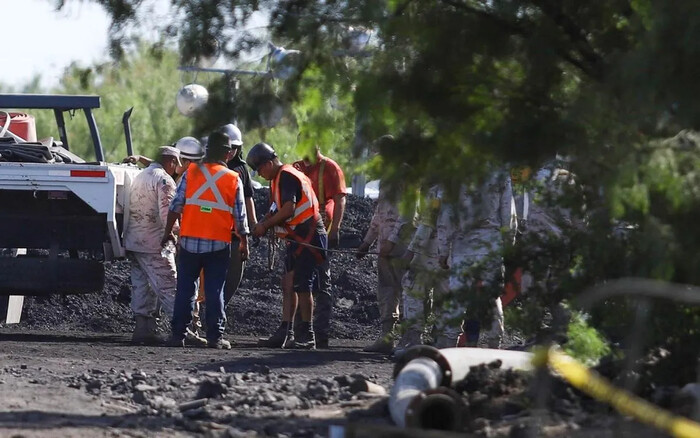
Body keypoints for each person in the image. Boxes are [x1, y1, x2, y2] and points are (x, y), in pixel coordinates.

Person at [161, 131, 250, 349]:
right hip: (218, 244)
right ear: (228, 154)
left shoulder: (192, 172)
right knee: (214, 290)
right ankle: (215, 338)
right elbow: (240, 216)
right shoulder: (232, 178)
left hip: (190, 242)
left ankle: (178, 335)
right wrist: (244, 242)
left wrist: (167, 233)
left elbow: (175, 205)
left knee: (185, 289)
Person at [247, 142, 328, 350]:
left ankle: (307, 335)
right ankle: (286, 331)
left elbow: (289, 209)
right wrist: (264, 221)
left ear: (269, 163)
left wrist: (264, 225)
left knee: (303, 285)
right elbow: (278, 208)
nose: (260, 174)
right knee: (288, 283)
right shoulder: (279, 178)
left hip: (308, 236)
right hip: (298, 237)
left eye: (259, 169)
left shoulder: (286, 176)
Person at [436, 169, 517, 348]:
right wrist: (508, 245)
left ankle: (450, 346)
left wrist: (442, 250)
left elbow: (446, 215)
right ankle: (494, 345)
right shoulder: (500, 172)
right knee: (492, 296)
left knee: (457, 297)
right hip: (491, 245)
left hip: (462, 246)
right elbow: (508, 214)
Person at [356, 137, 416, 354]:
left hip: (403, 245)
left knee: (408, 292)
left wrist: (392, 241)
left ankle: (409, 339)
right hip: (385, 246)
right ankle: (386, 338)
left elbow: (410, 213)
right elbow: (380, 213)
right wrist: (367, 241)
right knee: (386, 293)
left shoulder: (405, 175)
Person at [123, 146, 181, 344]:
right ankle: (182, 330)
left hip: (134, 241)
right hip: (155, 242)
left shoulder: (141, 176)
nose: (178, 167)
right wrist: (173, 236)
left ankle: (143, 329)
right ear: (170, 162)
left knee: (142, 286)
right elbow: (168, 214)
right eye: (177, 162)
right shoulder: (164, 180)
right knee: (169, 285)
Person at [292, 138, 347, 348]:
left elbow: (340, 198)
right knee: (300, 281)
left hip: (320, 233)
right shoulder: (297, 168)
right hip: (299, 233)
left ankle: (320, 332)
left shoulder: (330, 168)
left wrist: (335, 230)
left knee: (322, 282)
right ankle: (301, 332)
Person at [396, 184, 448, 350]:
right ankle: (443, 342)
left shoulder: (436, 190)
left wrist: (410, 252)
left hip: (429, 252)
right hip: (453, 253)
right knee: (445, 298)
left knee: (413, 291)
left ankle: (413, 339)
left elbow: (427, 223)